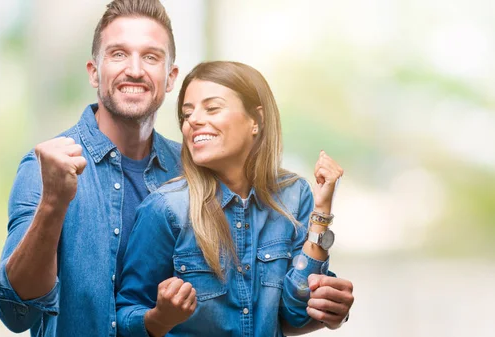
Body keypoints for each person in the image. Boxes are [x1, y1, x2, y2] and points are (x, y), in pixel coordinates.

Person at [0, 1, 353, 336]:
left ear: (170, 77)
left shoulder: (202, 170)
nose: (134, 69)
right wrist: (54, 202)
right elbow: (16, 313)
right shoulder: (47, 168)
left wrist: (322, 310)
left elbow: (253, 309)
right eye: (118, 54)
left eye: (151, 56)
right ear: (94, 72)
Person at [115, 61, 354, 337]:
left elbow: (296, 314)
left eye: (212, 108)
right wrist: (160, 317)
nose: (193, 120)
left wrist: (321, 212)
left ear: (257, 120)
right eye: (187, 113)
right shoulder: (166, 208)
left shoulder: (294, 195)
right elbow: (125, 316)